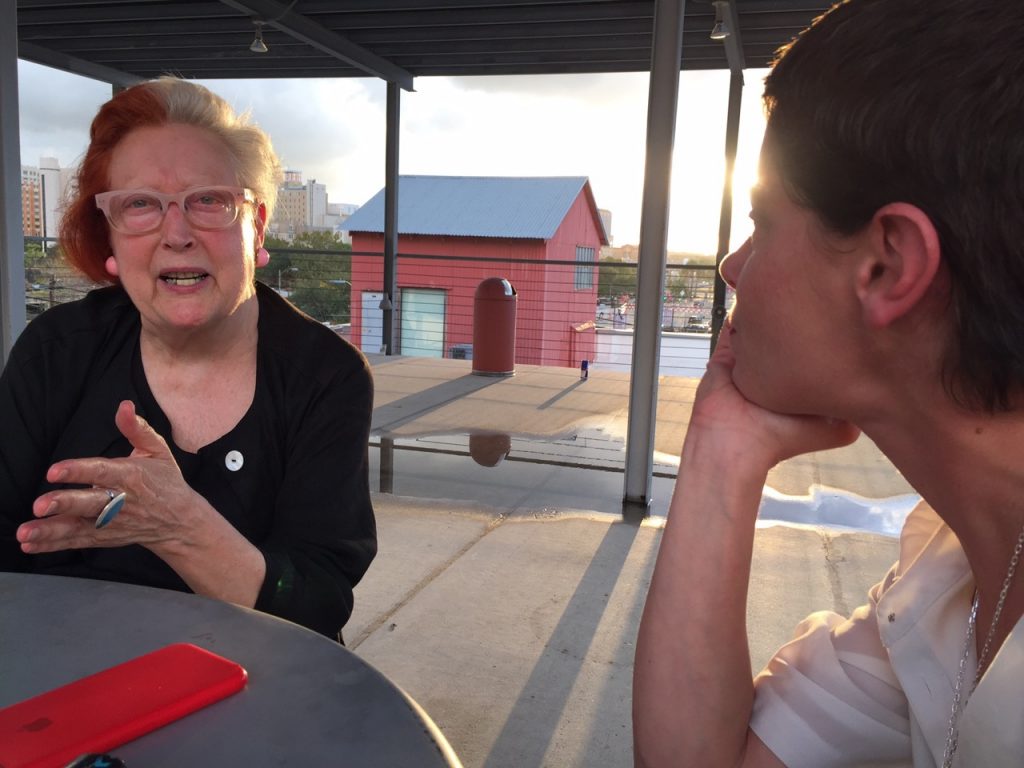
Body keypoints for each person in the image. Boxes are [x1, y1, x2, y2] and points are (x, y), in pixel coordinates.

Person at [633, 0, 1024, 766]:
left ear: (888, 266)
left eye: (762, 221)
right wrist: (722, 448)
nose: (732, 267)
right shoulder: (947, 576)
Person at [0, 77, 376, 643]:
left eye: (208, 201)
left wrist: (179, 526)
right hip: (65, 679)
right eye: (141, 206)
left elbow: (316, 605)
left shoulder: (325, 376)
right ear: (111, 240)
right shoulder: (58, 350)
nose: (177, 233)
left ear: (258, 226)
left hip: (253, 683)